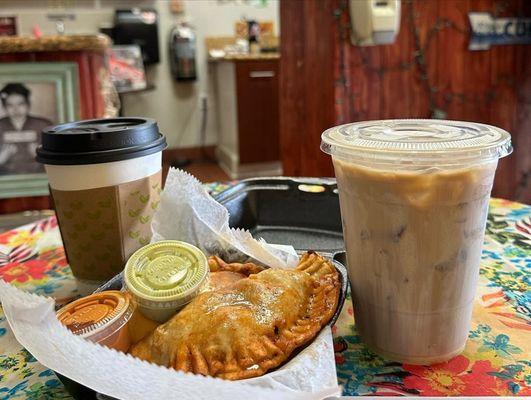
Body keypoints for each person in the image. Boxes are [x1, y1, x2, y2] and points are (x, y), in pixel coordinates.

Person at [0, 83, 53, 174]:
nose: (16, 109)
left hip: (39, 177)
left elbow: (58, 159)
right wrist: (1, 158)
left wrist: (41, 156)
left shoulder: (44, 125)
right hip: (6, 180)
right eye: (10, 105)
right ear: (4, 107)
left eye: (20, 104)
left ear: (28, 104)